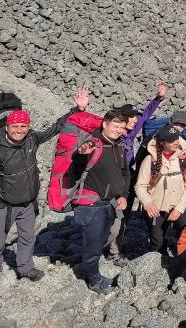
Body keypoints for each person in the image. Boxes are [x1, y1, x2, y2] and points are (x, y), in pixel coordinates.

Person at [0, 88, 87, 294]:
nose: (19, 130)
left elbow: (56, 127)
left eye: (23, 126)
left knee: (27, 238)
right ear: (7, 126)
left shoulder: (32, 139)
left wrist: (77, 109)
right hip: (1, 204)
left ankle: (25, 268)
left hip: (27, 202)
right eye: (15, 126)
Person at [71, 107, 131, 294]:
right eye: (115, 125)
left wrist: (124, 194)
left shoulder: (119, 146)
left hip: (109, 202)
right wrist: (81, 154)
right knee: (93, 244)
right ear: (104, 124)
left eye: (122, 127)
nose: (118, 130)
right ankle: (94, 280)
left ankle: (89, 266)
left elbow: (125, 173)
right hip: (91, 204)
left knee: (100, 239)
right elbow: (77, 163)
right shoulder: (92, 143)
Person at [107, 81, 168, 261]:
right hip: (113, 179)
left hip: (128, 177)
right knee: (114, 214)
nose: (135, 121)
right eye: (132, 118)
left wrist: (159, 98)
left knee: (124, 214)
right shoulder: (114, 136)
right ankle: (108, 245)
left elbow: (147, 113)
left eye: (135, 118)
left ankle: (115, 249)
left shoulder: (131, 131)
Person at [134, 122, 186, 254]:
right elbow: (140, 186)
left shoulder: (185, 157)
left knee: (185, 235)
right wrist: (148, 203)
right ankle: (158, 261)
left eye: (177, 138)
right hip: (156, 207)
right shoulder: (150, 160)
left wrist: (179, 209)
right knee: (157, 242)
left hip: (179, 204)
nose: (176, 142)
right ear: (162, 143)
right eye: (171, 140)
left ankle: (183, 259)